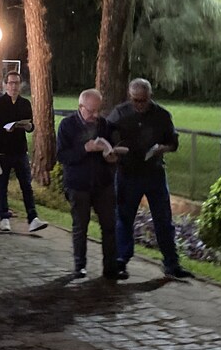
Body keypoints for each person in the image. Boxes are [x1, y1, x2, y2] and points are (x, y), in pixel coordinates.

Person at [107, 78, 192, 280]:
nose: (139, 105)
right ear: (130, 97)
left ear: (149, 96)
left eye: (143, 100)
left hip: (154, 172)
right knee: (124, 218)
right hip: (128, 172)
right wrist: (112, 150)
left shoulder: (161, 115)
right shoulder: (120, 114)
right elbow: (105, 135)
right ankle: (121, 260)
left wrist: (163, 148)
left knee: (163, 218)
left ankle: (171, 263)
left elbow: (173, 142)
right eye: (135, 100)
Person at [56, 89, 123, 280]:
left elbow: (113, 148)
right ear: (80, 107)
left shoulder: (104, 125)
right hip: (78, 184)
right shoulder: (67, 125)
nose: (95, 115)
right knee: (81, 226)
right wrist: (85, 149)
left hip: (103, 183)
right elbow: (62, 155)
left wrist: (112, 157)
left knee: (109, 225)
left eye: (98, 111)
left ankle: (110, 267)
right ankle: (80, 266)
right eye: (91, 111)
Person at [0, 71, 48, 234]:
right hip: (3, 150)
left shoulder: (25, 103)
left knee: (26, 184)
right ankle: (4, 217)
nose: (14, 86)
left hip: (20, 150)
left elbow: (31, 125)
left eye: (17, 83)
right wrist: (5, 129)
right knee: (2, 185)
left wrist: (28, 126)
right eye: (11, 83)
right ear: (6, 84)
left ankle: (32, 217)